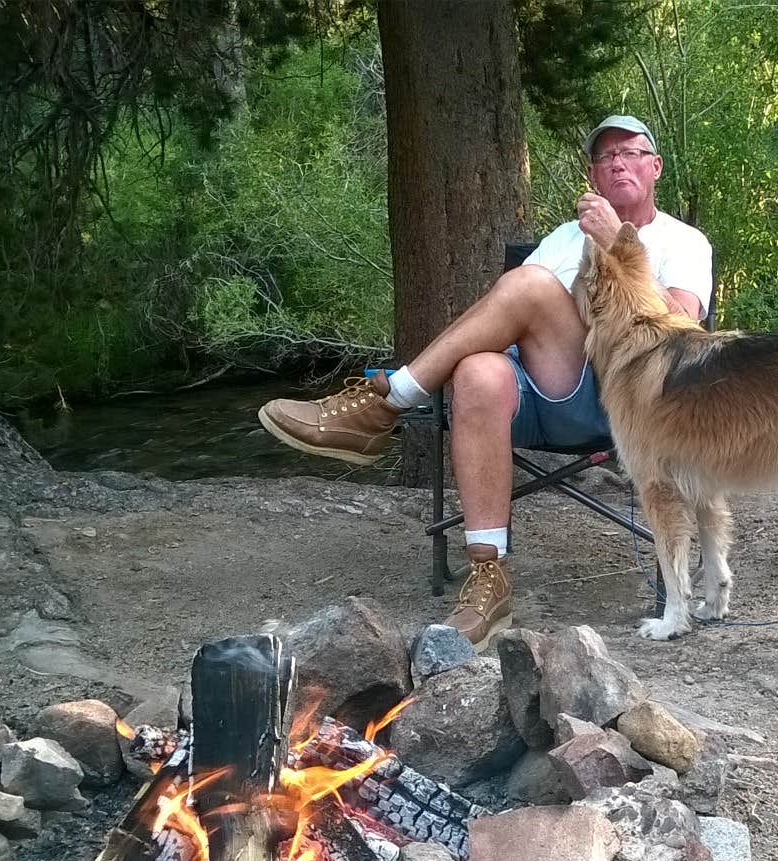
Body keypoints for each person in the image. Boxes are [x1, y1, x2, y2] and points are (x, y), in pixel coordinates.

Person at [258, 114, 713, 648]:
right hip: (543, 388)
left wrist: (621, 245)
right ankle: (488, 576)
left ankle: (389, 401)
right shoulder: (564, 239)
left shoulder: (684, 241)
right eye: (604, 156)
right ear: (593, 175)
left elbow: (683, 333)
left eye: (631, 151)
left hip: (623, 399)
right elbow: (508, 317)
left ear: (655, 167)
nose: (617, 161)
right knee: (477, 372)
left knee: (533, 287)